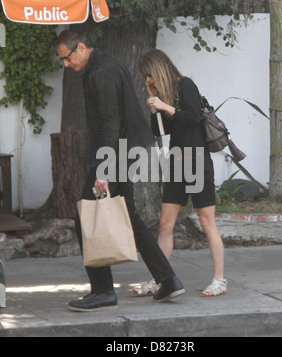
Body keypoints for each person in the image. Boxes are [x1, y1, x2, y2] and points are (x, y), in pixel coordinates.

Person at [55, 31, 185, 312]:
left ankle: (103, 291)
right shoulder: (108, 64)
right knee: (128, 215)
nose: (66, 64)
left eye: (67, 57)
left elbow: (109, 123)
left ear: (80, 47)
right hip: (126, 151)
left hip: (114, 154)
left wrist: (104, 170)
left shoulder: (100, 72)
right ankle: (168, 279)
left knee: (86, 218)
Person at [134, 49, 227, 297]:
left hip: (196, 160)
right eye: (145, 77)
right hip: (177, 162)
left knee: (207, 222)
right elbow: (160, 132)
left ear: (159, 68)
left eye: (149, 75)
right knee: (166, 223)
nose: (148, 81)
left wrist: (165, 105)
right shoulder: (166, 95)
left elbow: (194, 117)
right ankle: (159, 279)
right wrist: (156, 108)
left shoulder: (185, 85)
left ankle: (219, 280)